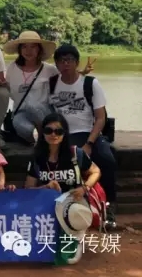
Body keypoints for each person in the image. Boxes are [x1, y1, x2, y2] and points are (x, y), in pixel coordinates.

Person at [49, 44, 117, 227]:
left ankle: (109, 206)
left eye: (69, 60)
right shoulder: (52, 83)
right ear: (56, 64)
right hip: (63, 135)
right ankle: (67, 207)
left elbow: (100, 118)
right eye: (61, 60)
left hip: (87, 132)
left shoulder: (90, 83)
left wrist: (89, 143)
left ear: (76, 62)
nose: (66, 64)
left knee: (107, 159)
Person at [24, 112, 102, 265]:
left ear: (64, 134)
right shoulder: (37, 158)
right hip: (47, 206)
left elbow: (96, 171)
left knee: (66, 258)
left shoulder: (76, 154)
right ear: (42, 133)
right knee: (47, 255)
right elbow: (28, 189)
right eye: (49, 130)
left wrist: (84, 188)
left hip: (73, 204)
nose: (53, 135)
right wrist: (45, 187)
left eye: (58, 131)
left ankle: (76, 237)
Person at [4, 31, 59, 144]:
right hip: (21, 112)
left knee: (32, 104)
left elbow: (65, 83)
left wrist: (80, 73)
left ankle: (44, 137)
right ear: (20, 49)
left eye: (33, 47)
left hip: (44, 111)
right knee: (24, 128)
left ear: (39, 49)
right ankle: (34, 143)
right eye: (24, 47)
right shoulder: (12, 68)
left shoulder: (50, 70)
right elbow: (9, 90)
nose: (28, 51)